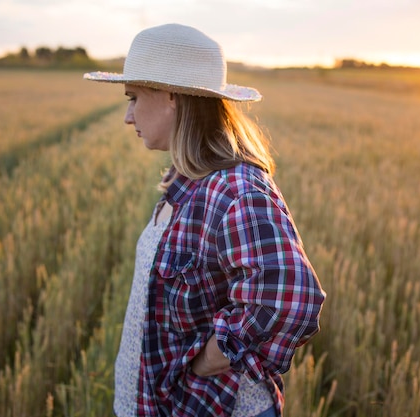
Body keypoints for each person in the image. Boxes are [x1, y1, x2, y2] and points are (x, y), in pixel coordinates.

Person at [84, 23, 325, 417]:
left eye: (133, 98)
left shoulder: (237, 190)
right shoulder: (188, 181)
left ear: (172, 97)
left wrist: (200, 364)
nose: (128, 117)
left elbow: (287, 298)